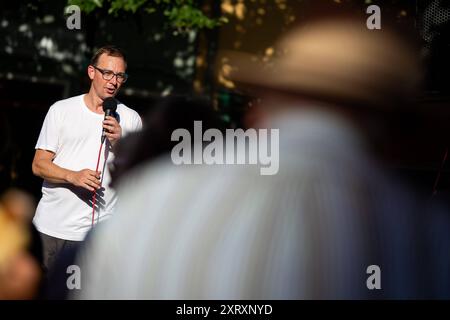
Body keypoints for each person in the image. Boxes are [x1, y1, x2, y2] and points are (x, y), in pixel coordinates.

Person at [75, 18, 450, 299]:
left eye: (120, 75)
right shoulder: (426, 236)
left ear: (262, 110)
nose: (114, 81)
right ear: (400, 133)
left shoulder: (152, 198)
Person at [31, 45, 142, 272]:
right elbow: (39, 165)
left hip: (98, 236)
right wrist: (73, 176)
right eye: (107, 73)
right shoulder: (61, 110)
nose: (114, 81)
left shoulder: (131, 120)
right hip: (52, 229)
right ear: (92, 72)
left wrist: (121, 143)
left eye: (120, 76)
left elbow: (139, 178)